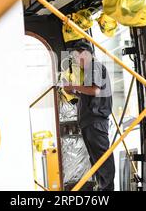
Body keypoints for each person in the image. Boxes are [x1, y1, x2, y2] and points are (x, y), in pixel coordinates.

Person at [63, 39, 115, 191]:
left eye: (76, 56)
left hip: (96, 120)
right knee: (96, 159)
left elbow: (95, 91)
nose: (75, 60)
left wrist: (74, 86)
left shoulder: (95, 67)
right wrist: (73, 91)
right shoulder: (88, 71)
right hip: (89, 121)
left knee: (102, 159)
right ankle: (102, 187)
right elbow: (89, 95)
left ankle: (107, 189)